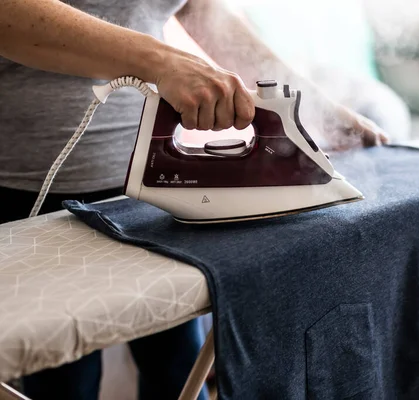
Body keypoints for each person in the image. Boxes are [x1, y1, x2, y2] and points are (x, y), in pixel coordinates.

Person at [0, 0, 388, 399]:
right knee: (63, 381)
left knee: (180, 370)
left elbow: (205, 14)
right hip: (34, 190)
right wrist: (165, 62)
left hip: (151, 209)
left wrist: (319, 112)